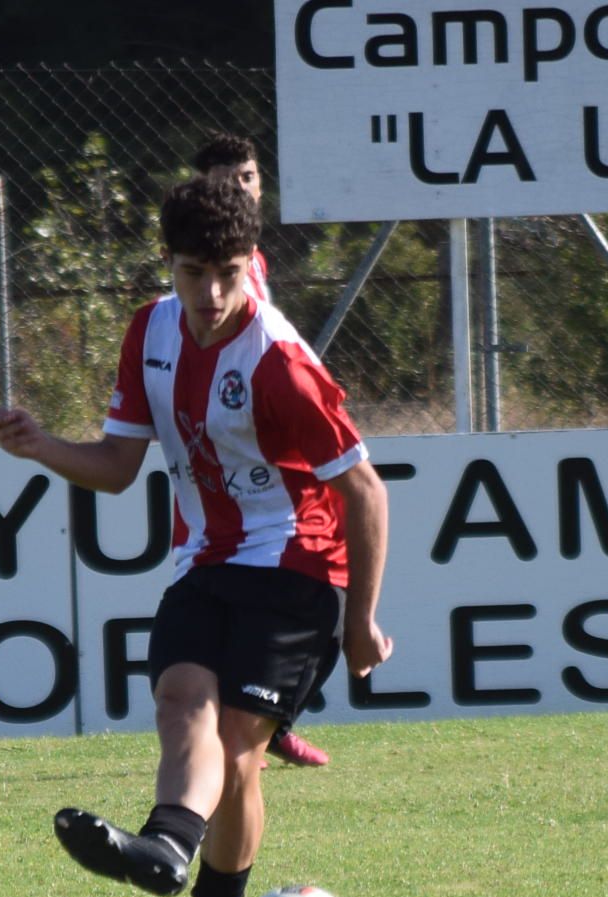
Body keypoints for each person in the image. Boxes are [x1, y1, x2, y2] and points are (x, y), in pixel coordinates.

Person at [0, 174, 391, 897]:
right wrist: (40, 447)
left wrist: (361, 622)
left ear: (251, 265)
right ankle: (170, 851)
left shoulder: (280, 364)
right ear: (166, 265)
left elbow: (366, 491)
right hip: (207, 558)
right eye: (191, 273)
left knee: (240, 746)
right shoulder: (152, 333)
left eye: (228, 273)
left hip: (297, 567)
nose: (210, 294)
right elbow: (115, 466)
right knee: (180, 699)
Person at [190, 132, 331, 773]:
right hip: (227, 468)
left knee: (325, 570)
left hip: (269, 458)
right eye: (227, 180)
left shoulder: (258, 262)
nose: (242, 189)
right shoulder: (199, 278)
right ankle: (263, 716)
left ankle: (273, 716)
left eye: (249, 177)